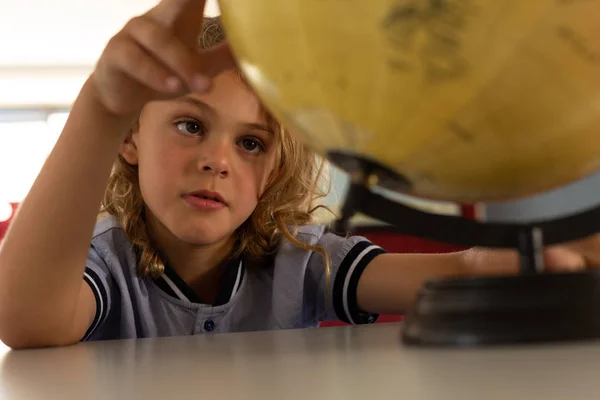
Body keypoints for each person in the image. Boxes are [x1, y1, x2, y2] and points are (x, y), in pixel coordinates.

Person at [0, 0, 598, 349]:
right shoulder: (107, 268)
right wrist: (102, 109)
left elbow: (455, 272)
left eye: (252, 142)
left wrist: (550, 258)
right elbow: (23, 316)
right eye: (189, 125)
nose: (219, 160)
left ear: (273, 171)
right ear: (130, 139)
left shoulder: (300, 261)